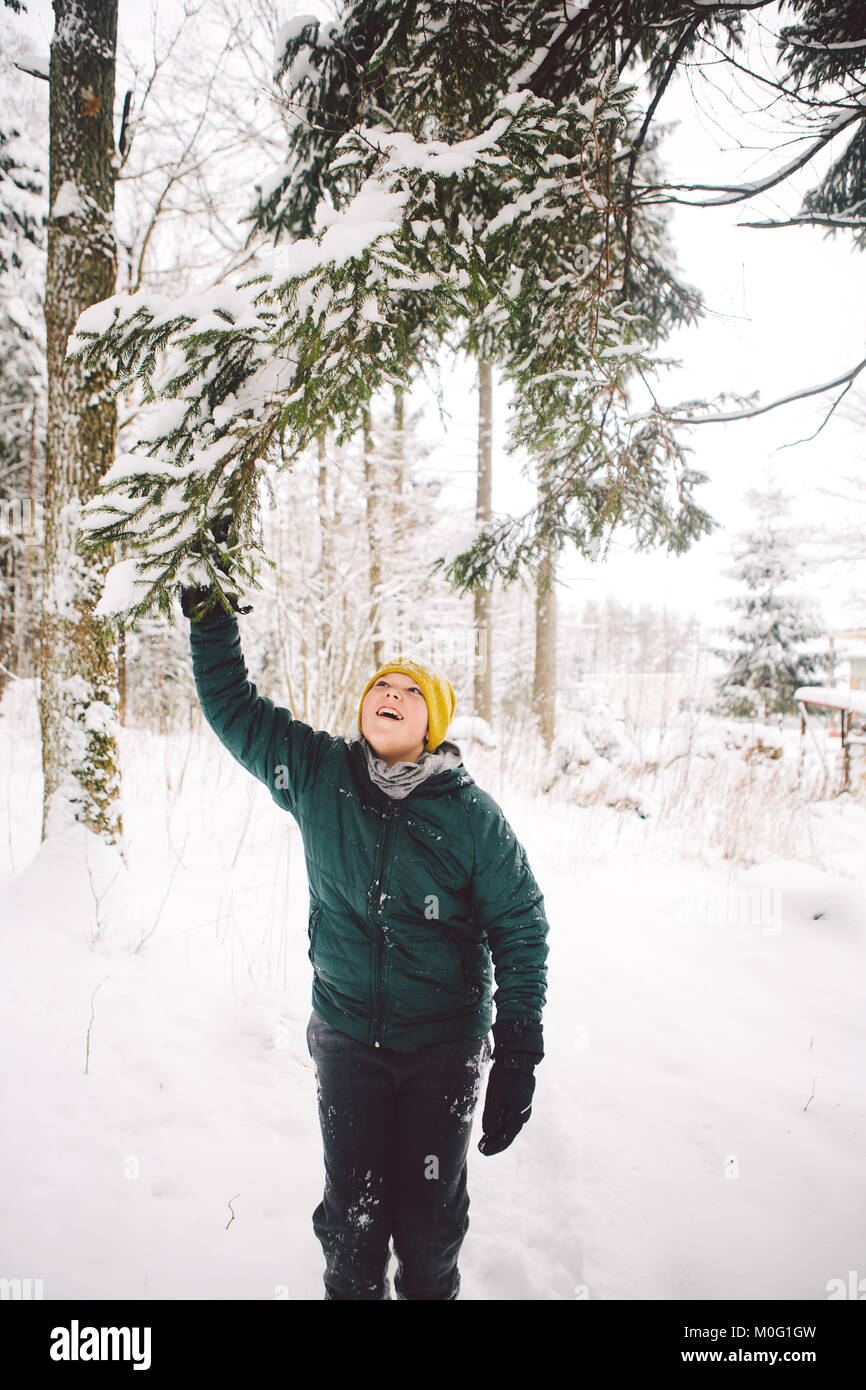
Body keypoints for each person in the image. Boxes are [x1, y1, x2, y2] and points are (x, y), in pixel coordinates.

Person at [181, 559, 549, 1301]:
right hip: (349, 1035)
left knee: (426, 1225)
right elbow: (235, 708)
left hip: (442, 1046)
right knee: (352, 1223)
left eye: (411, 691)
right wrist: (210, 619)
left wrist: (517, 1052)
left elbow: (520, 926)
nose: (391, 693)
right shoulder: (319, 773)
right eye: (382, 684)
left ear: (431, 722)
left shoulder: (470, 816)